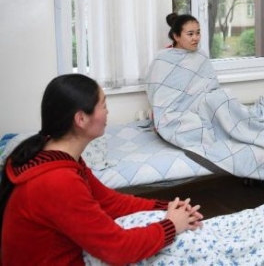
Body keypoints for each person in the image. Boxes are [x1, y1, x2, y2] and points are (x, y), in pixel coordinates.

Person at [0, 74, 203, 265]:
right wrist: (171, 225)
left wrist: (166, 207)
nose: (107, 112)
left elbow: (108, 201)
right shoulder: (58, 180)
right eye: (104, 105)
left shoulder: (58, 155)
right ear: (81, 119)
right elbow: (118, 249)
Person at [146, 13, 264, 182]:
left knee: (222, 98)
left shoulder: (200, 56)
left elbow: (209, 86)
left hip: (205, 103)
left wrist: (211, 99)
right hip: (182, 111)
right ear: (176, 36)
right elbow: (160, 94)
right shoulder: (163, 60)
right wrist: (162, 114)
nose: (196, 38)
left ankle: (249, 130)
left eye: (198, 32)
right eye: (190, 34)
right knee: (194, 126)